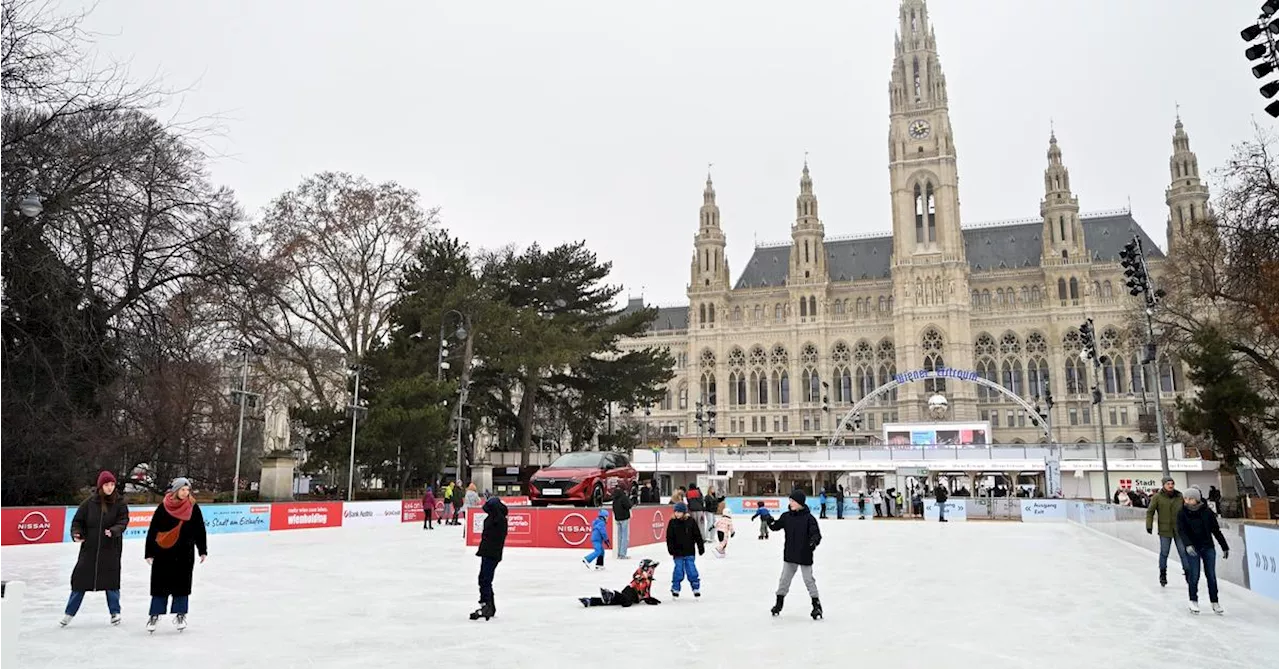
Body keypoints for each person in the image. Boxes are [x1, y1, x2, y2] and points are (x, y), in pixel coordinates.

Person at [62, 471, 130, 627]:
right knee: (79, 582)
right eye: (107, 485)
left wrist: (113, 531)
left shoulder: (120, 504)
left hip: (110, 550)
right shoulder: (88, 504)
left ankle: (115, 612)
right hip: (90, 550)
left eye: (112, 484)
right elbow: (77, 522)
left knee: (111, 584)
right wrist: (77, 533)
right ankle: (69, 613)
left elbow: (123, 521)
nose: (110, 488)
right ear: (101, 486)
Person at [144, 477, 207, 633]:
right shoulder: (163, 507)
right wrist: (149, 552)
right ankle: (154, 615)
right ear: (176, 490)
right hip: (163, 552)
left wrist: (202, 549)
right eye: (183, 490)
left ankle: (180, 614)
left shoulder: (193, 507)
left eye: (187, 490)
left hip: (185, 553)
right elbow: (153, 531)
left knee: (182, 585)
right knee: (160, 585)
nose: (185, 493)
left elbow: (200, 529)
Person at [768, 489, 822, 619]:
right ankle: (778, 603)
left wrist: (813, 542)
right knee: (784, 580)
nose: (790, 503)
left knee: (809, 580)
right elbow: (775, 526)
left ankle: (816, 605)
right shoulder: (786, 516)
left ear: (800, 503)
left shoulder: (809, 519)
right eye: (790, 501)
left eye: (793, 501)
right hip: (790, 554)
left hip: (804, 554)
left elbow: (816, 534)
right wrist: (769, 521)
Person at [1177, 487, 1229, 615]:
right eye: (1186, 498)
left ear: (1197, 499)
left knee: (1211, 575)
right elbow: (1181, 531)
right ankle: (1193, 600)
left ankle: (1215, 601)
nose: (1187, 501)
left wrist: (1224, 546)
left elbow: (1216, 531)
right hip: (1193, 548)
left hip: (1207, 547)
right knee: (1194, 575)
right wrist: (1188, 545)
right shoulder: (1182, 513)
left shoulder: (1207, 512)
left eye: (1191, 499)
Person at [1146, 476, 1187, 588]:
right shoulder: (1157, 497)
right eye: (1168, 483)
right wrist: (1149, 525)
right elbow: (1150, 512)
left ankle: (1188, 573)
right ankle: (1163, 574)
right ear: (1163, 485)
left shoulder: (1179, 496)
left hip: (1179, 529)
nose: (1170, 485)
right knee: (1164, 552)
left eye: (1172, 483)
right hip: (1165, 530)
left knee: (1183, 552)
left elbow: (1186, 511)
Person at [471, 495, 508, 621]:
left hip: (491, 553)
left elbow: (493, 538)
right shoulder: (494, 518)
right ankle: (488, 605)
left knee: (485, 579)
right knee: (483, 579)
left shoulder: (499, 520)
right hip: (487, 552)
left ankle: (487, 605)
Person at [578, 559, 662, 608]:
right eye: (651, 568)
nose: (653, 571)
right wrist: (643, 575)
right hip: (631, 591)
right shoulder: (642, 576)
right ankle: (612, 594)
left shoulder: (648, 579)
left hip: (634, 596)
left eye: (653, 569)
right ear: (646, 569)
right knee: (626, 603)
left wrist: (648, 598)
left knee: (613, 601)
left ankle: (590, 601)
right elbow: (636, 577)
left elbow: (645, 592)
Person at [666, 502, 704, 598]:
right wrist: (670, 549)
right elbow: (669, 537)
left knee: (691, 570)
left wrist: (700, 547)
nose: (677, 514)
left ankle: (695, 587)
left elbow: (697, 535)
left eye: (679, 512)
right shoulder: (672, 522)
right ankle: (675, 588)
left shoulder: (690, 521)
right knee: (678, 571)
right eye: (676, 512)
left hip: (689, 551)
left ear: (684, 512)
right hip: (677, 552)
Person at [612, 486, 633, 559]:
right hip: (624, 518)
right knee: (625, 537)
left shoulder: (615, 498)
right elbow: (629, 506)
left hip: (618, 519)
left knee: (619, 536)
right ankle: (623, 554)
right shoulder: (623, 497)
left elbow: (613, 508)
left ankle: (619, 553)